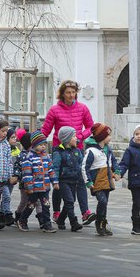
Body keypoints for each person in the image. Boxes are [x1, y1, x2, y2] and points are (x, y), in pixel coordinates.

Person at [41, 80, 95, 226]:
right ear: (62, 94)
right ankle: (57, 211)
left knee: (80, 179)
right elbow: (45, 130)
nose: (71, 95)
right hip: (60, 150)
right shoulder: (54, 110)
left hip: (77, 149)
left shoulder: (83, 108)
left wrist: (81, 136)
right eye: (68, 93)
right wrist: (36, 144)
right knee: (59, 180)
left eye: (73, 92)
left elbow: (91, 127)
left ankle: (85, 213)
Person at [83, 123, 120, 237]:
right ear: (101, 137)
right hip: (97, 181)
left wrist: (117, 171)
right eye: (108, 135)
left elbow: (113, 161)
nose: (110, 137)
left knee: (105, 203)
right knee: (102, 201)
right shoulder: (91, 151)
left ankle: (103, 224)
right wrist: (88, 181)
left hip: (107, 179)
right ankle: (99, 223)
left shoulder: (107, 148)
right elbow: (84, 167)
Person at [20, 131, 58, 233]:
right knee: (31, 205)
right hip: (34, 188)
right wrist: (29, 187)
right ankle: (23, 219)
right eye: (41, 145)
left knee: (46, 205)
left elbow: (51, 170)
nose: (43, 147)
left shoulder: (46, 156)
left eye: (44, 145)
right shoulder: (29, 157)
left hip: (45, 187)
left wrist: (55, 182)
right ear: (34, 144)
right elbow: (27, 173)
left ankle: (47, 224)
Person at [51, 126, 84, 232]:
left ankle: (60, 219)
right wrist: (55, 181)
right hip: (63, 180)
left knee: (71, 201)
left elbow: (81, 164)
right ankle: (73, 222)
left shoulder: (77, 151)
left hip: (74, 180)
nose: (76, 138)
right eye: (74, 136)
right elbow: (55, 168)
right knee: (69, 201)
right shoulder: (59, 152)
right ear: (67, 138)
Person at [14, 128, 39, 229]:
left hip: (36, 183)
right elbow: (18, 168)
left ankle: (42, 219)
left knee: (37, 202)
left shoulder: (36, 154)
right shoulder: (23, 155)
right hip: (24, 184)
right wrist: (17, 176)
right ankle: (18, 216)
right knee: (24, 202)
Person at [0, 127, 19, 227]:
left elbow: (18, 165)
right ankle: (7, 214)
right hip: (3, 178)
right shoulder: (3, 150)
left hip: (11, 179)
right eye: (12, 137)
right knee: (6, 196)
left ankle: (1, 214)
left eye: (15, 137)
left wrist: (16, 176)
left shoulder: (16, 151)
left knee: (6, 197)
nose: (15, 139)